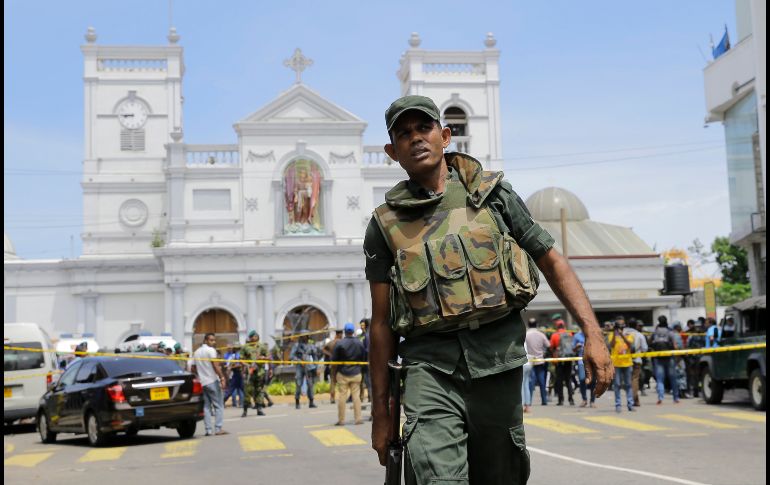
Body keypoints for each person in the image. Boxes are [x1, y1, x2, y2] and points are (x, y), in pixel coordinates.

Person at [366, 95, 614, 485]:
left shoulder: (493, 196)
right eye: (404, 134)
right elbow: (381, 323)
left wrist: (593, 335)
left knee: (501, 476)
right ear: (392, 152)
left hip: (497, 364)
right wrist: (380, 413)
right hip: (429, 369)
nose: (415, 138)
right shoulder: (384, 225)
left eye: (424, 128)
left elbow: (552, 261)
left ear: (445, 136)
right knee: (437, 477)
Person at [191, 333, 228, 436]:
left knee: (206, 407)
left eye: (214, 340)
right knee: (219, 405)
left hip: (203, 383)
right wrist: (222, 377)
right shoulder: (211, 350)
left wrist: (200, 375)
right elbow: (215, 365)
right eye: (211, 340)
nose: (213, 342)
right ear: (205, 340)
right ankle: (218, 428)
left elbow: (193, 368)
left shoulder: (196, 352)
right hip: (212, 381)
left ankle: (208, 430)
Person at [332, 322, 367, 425]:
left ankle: (341, 420)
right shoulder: (359, 343)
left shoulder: (340, 343)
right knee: (356, 396)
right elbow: (364, 358)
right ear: (353, 331)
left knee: (342, 396)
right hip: (356, 372)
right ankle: (358, 419)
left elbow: (334, 359)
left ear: (345, 332)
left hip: (343, 373)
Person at [650, 316, 680, 405]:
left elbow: (650, 342)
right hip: (670, 357)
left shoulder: (655, 331)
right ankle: (676, 398)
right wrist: (678, 357)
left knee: (660, 379)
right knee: (673, 379)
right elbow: (675, 345)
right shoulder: (670, 331)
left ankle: (660, 398)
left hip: (658, 357)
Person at [241, 331, 271, 417]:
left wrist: (263, 358)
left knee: (260, 391)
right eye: (253, 336)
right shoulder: (245, 347)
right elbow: (241, 359)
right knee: (247, 391)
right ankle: (245, 410)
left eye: (256, 336)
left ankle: (259, 409)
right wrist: (247, 365)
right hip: (249, 373)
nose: (255, 338)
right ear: (250, 338)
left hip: (260, 372)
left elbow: (269, 357)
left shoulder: (262, 346)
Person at [608, 319, 635, 412]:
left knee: (628, 384)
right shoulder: (612, 334)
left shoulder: (629, 334)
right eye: (618, 325)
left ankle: (630, 404)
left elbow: (629, 344)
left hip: (627, 363)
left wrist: (622, 335)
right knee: (617, 385)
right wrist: (615, 333)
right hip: (616, 364)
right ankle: (618, 405)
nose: (620, 327)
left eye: (622, 325)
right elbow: (611, 345)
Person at [549, 318, 575, 406]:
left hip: (559, 360)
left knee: (559, 380)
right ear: (564, 326)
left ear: (557, 326)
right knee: (568, 380)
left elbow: (551, 347)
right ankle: (571, 399)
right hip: (568, 359)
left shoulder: (555, 335)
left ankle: (561, 400)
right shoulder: (570, 334)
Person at [525, 318, 550, 407]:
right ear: (536, 324)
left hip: (529, 360)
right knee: (542, 381)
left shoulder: (526, 335)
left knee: (531, 381)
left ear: (528, 325)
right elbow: (548, 345)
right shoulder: (541, 334)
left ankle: (529, 401)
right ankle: (544, 400)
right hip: (540, 360)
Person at [624, 318, 647, 407]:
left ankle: (633, 400)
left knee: (627, 380)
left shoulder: (623, 334)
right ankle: (634, 399)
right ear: (636, 325)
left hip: (624, 360)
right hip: (636, 360)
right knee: (634, 379)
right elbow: (644, 348)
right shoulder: (639, 335)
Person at [291, 335, 318, 409]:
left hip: (309, 366)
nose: (304, 338)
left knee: (310, 384)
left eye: (306, 336)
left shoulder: (311, 346)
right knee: (298, 383)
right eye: (303, 336)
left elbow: (315, 357)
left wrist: (315, 366)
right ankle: (297, 401)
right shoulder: (296, 345)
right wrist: (299, 361)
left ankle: (311, 401)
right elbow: (291, 356)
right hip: (299, 366)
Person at [572, 328, 596, 407]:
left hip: (592, 362)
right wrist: (577, 347)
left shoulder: (593, 336)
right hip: (581, 362)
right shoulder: (577, 336)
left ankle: (592, 401)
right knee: (582, 380)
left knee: (593, 381)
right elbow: (573, 350)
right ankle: (584, 400)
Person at [323, 329, 343, 403]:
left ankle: (332, 398)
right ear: (340, 334)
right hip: (341, 364)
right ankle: (341, 397)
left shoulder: (331, 342)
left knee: (333, 381)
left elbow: (324, 349)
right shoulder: (342, 342)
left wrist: (330, 355)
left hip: (333, 363)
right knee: (341, 381)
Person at [359, 318, 372, 402]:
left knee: (368, 380)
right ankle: (362, 396)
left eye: (363, 325)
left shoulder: (367, 335)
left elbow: (367, 350)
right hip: (364, 361)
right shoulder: (362, 335)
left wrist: (365, 361)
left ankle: (370, 396)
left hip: (366, 361)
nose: (362, 327)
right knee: (362, 380)